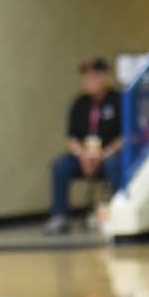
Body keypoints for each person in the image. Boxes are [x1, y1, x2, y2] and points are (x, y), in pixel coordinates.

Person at [44, 57, 124, 235]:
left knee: (114, 165)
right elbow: (71, 138)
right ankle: (60, 216)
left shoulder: (118, 101)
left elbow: (125, 136)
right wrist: (82, 156)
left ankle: (117, 213)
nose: (88, 81)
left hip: (108, 155)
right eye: (85, 77)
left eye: (93, 77)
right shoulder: (79, 104)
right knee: (60, 165)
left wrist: (103, 154)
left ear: (104, 77)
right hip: (83, 157)